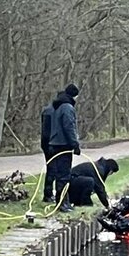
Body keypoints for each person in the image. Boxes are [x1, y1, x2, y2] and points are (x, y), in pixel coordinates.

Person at [49, 83, 81, 212]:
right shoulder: (67, 107)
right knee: (64, 175)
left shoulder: (57, 106)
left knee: (60, 175)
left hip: (55, 143)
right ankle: (62, 203)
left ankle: (63, 201)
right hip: (63, 145)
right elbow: (69, 127)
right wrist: (75, 144)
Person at [40, 97, 57, 203]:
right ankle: (48, 194)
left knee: (51, 169)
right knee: (52, 170)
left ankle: (49, 193)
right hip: (51, 143)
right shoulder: (53, 112)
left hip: (46, 142)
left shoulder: (47, 110)